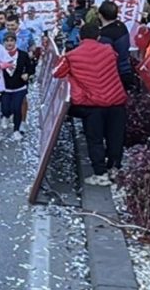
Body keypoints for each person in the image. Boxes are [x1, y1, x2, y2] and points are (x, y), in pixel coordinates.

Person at [53, 24, 128, 186]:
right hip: (116, 100)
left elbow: (56, 72)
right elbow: (115, 58)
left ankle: (100, 174)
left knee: (95, 139)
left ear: (80, 37)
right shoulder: (108, 50)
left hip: (93, 104)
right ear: (98, 37)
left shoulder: (72, 56)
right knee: (115, 137)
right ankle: (114, 168)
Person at [0, 32, 35, 139]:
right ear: (3, 42)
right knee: (5, 108)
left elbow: (31, 68)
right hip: (5, 87)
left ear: (15, 41)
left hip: (20, 87)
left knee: (17, 108)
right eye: (7, 41)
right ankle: (6, 115)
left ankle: (16, 130)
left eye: (12, 40)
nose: (9, 43)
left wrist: (27, 74)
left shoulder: (23, 55)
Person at [96, 0, 137, 92]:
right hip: (127, 69)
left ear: (100, 15)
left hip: (115, 74)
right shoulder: (122, 26)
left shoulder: (105, 35)